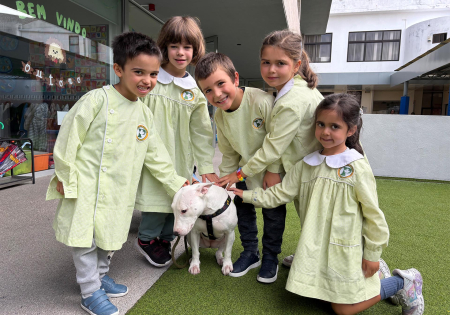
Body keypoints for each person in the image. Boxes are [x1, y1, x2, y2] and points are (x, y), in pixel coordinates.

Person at [231, 93, 424, 315]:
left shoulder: (357, 167)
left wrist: (371, 253)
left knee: (342, 309)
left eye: (335, 126)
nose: (325, 132)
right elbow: (279, 194)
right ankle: (375, 273)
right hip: (318, 247)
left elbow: (374, 216)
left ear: (350, 130)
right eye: (321, 124)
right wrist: (245, 195)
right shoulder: (306, 165)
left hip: (346, 248)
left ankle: (403, 283)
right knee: (316, 295)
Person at [46, 32, 188, 315]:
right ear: (119, 69)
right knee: (85, 241)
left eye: (152, 73)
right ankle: (90, 291)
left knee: (107, 237)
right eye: (138, 72)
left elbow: (155, 154)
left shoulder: (144, 114)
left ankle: (98, 277)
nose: (147, 80)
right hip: (87, 186)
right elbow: (68, 138)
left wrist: (178, 183)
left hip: (119, 189)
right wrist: (64, 175)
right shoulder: (96, 100)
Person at [216, 29, 324, 273]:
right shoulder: (289, 90)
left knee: (315, 219)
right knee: (312, 219)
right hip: (304, 168)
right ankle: (302, 256)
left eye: (280, 63)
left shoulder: (288, 101)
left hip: (312, 170)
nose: (271, 70)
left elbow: (272, 147)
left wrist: (240, 174)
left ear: (296, 65)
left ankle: (319, 262)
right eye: (266, 63)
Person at [134, 16, 219, 268]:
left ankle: (166, 237)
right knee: (154, 196)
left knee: (176, 197)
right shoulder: (150, 81)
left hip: (180, 156)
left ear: (195, 51)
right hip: (150, 152)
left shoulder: (194, 91)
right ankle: (147, 238)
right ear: (164, 47)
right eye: (174, 46)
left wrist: (206, 167)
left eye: (187, 47)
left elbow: (202, 133)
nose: (180, 53)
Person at [195, 52, 286, 283]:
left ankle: (270, 258)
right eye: (207, 90)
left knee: (273, 214)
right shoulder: (219, 115)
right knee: (243, 212)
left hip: (270, 172)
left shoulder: (262, 101)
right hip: (241, 173)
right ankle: (250, 253)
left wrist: (274, 170)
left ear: (235, 78)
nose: (216, 94)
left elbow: (276, 140)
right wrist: (224, 181)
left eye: (220, 84)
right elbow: (228, 151)